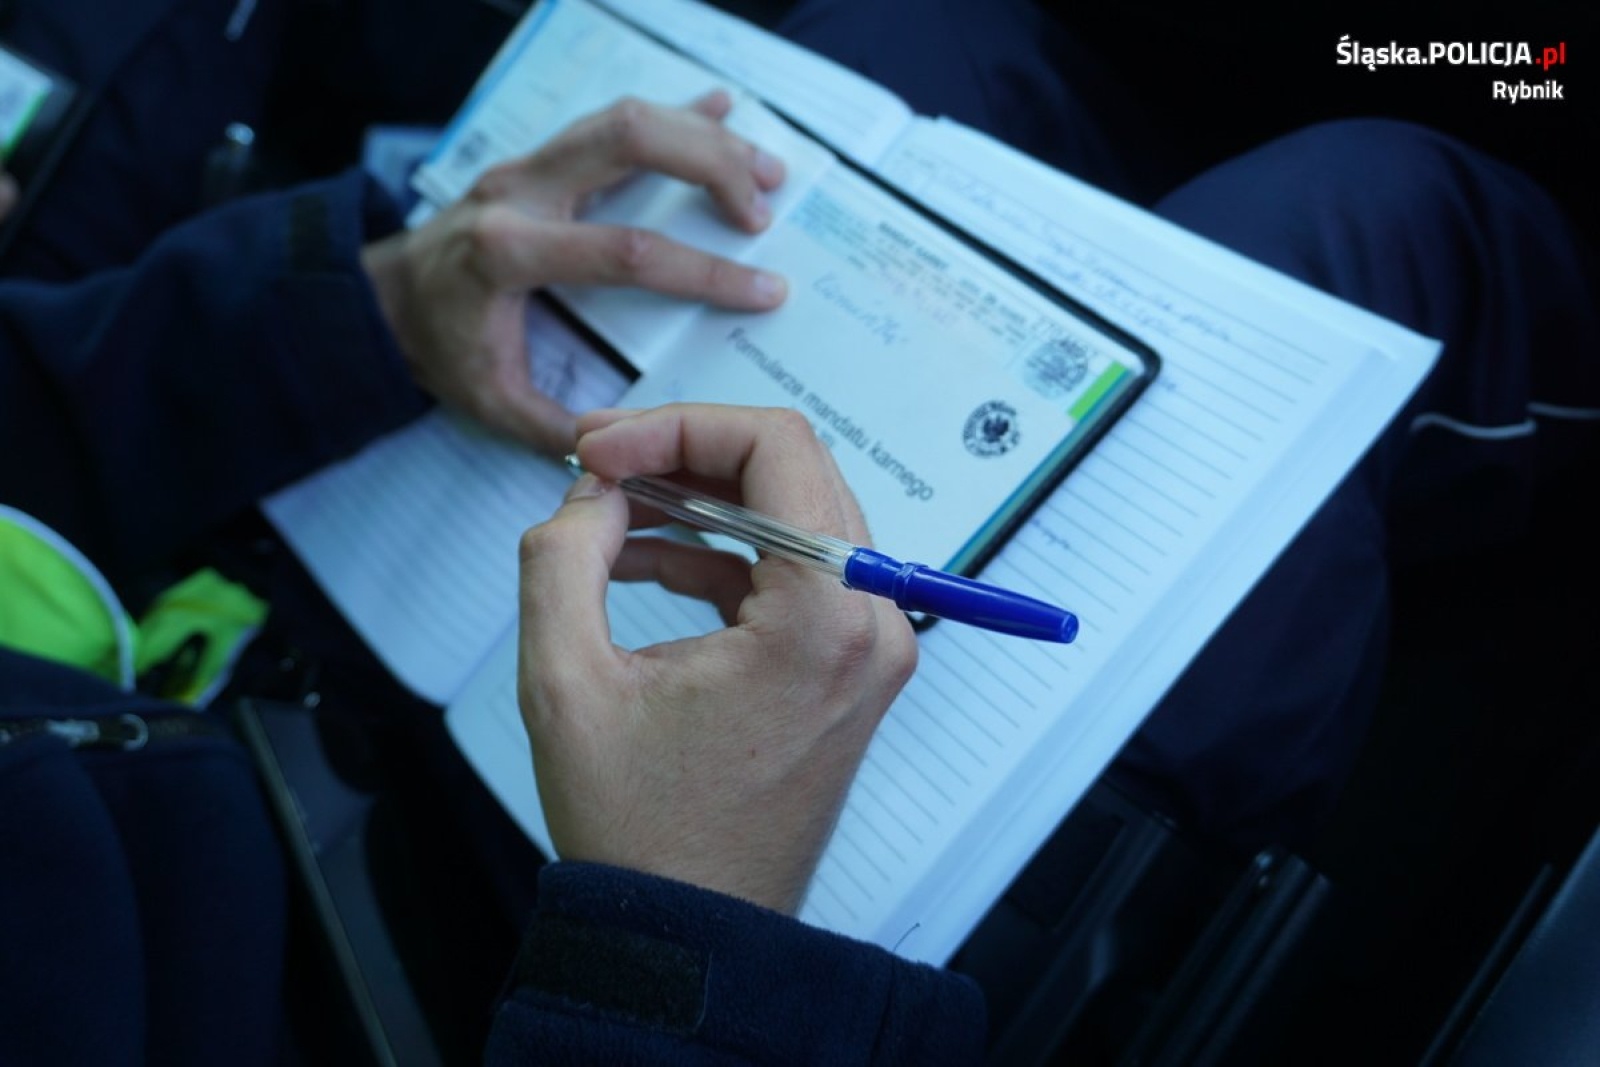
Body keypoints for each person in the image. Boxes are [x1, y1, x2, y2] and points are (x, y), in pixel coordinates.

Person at [3, 0, 1599, 1061]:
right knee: (1374, 221)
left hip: (261, 667)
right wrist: (677, 932)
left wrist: (358, 307)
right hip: (592, 983)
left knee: (917, 48)